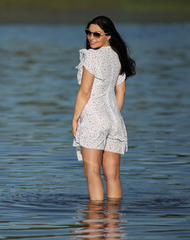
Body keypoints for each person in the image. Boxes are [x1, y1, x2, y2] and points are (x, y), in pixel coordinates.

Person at [72, 16, 136, 201]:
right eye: (88, 33)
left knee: (92, 173)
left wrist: (75, 119)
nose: (91, 37)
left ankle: (93, 224)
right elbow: (121, 92)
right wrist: (112, 115)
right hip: (114, 119)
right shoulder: (118, 57)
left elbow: (84, 92)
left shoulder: (91, 56)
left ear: (108, 35)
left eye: (97, 34)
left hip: (93, 119)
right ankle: (113, 224)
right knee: (113, 176)